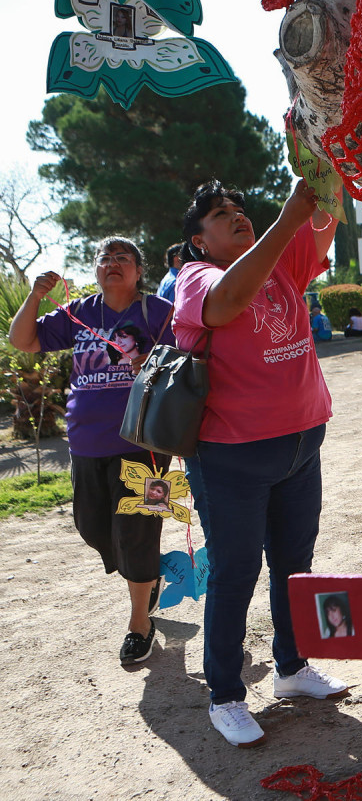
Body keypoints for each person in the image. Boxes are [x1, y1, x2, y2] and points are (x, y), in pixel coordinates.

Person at [175, 178, 346, 748]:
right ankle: (225, 695)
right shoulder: (195, 278)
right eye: (221, 215)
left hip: (301, 444)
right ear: (198, 241)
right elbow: (225, 305)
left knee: (295, 563)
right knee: (235, 571)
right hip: (231, 455)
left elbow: (326, 217)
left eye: (240, 208)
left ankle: (292, 669)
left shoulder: (278, 259)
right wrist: (287, 217)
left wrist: (321, 166)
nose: (238, 216)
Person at [8, 237, 175, 666]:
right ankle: (147, 573)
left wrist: (155, 361)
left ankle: (140, 623)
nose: (113, 264)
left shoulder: (159, 312)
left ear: (139, 271)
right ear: (95, 269)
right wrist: (35, 295)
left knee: (139, 528)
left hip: (148, 445)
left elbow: (189, 359)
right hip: (86, 443)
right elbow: (23, 341)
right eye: (105, 258)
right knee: (94, 528)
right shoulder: (78, 313)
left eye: (123, 258)